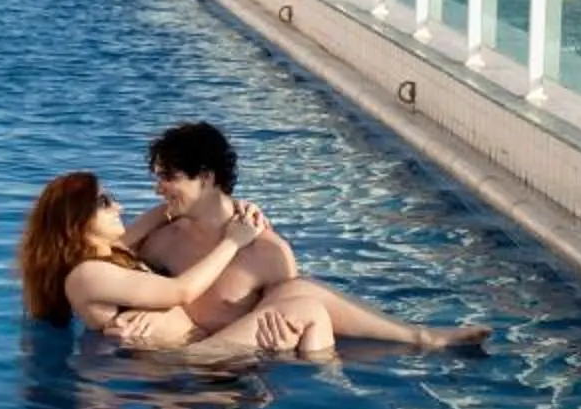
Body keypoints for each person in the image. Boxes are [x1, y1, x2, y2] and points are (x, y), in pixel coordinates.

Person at [115, 120, 488, 351]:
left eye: (169, 178)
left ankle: (419, 338)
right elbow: (108, 264)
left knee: (299, 294)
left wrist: (281, 340)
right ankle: (419, 337)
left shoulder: (267, 251)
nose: (158, 189)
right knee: (305, 297)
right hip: (177, 366)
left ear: (208, 178)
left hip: (237, 373)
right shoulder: (162, 240)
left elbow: (282, 324)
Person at [17, 172, 332, 357]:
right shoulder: (86, 275)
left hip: (205, 351)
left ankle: (377, 341)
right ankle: (335, 394)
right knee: (309, 310)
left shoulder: (113, 251)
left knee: (302, 293)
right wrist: (234, 240)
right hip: (191, 362)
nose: (118, 205)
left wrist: (237, 207)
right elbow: (181, 292)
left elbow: (167, 212)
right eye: (104, 202)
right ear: (75, 221)